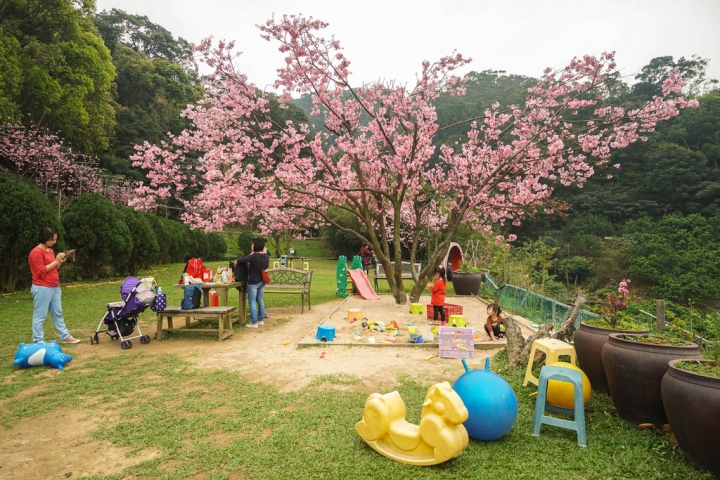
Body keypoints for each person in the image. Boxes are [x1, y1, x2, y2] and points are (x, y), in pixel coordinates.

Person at [28, 227, 81, 344]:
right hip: (42, 288)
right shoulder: (36, 252)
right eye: (52, 239)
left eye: (55, 239)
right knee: (40, 315)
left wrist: (59, 263)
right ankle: (38, 340)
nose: (54, 242)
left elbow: (53, 270)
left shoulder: (50, 251)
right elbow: (40, 271)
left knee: (58, 313)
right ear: (45, 238)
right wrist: (56, 261)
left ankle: (65, 336)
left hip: (54, 287)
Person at [235, 237, 269, 328]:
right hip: (262, 281)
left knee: (252, 302)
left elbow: (243, 259)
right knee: (260, 301)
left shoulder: (254, 256)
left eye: (252, 244)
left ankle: (254, 322)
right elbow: (266, 266)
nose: (251, 246)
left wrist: (237, 260)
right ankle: (260, 320)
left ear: (256, 246)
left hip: (253, 282)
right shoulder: (266, 256)